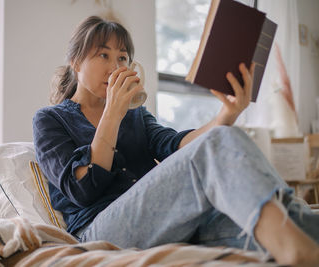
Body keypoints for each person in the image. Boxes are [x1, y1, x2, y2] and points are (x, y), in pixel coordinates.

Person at [33, 15, 319, 266]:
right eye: (103, 55)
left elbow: (178, 148)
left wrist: (226, 114)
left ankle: (299, 242)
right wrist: (112, 113)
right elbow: (83, 188)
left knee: (291, 219)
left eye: (122, 58)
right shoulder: (50, 120)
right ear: (75, 62)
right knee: (222, 144)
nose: (115, 66)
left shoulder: (137, 116)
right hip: (99, 231)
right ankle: (296, 252)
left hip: (163, 221)